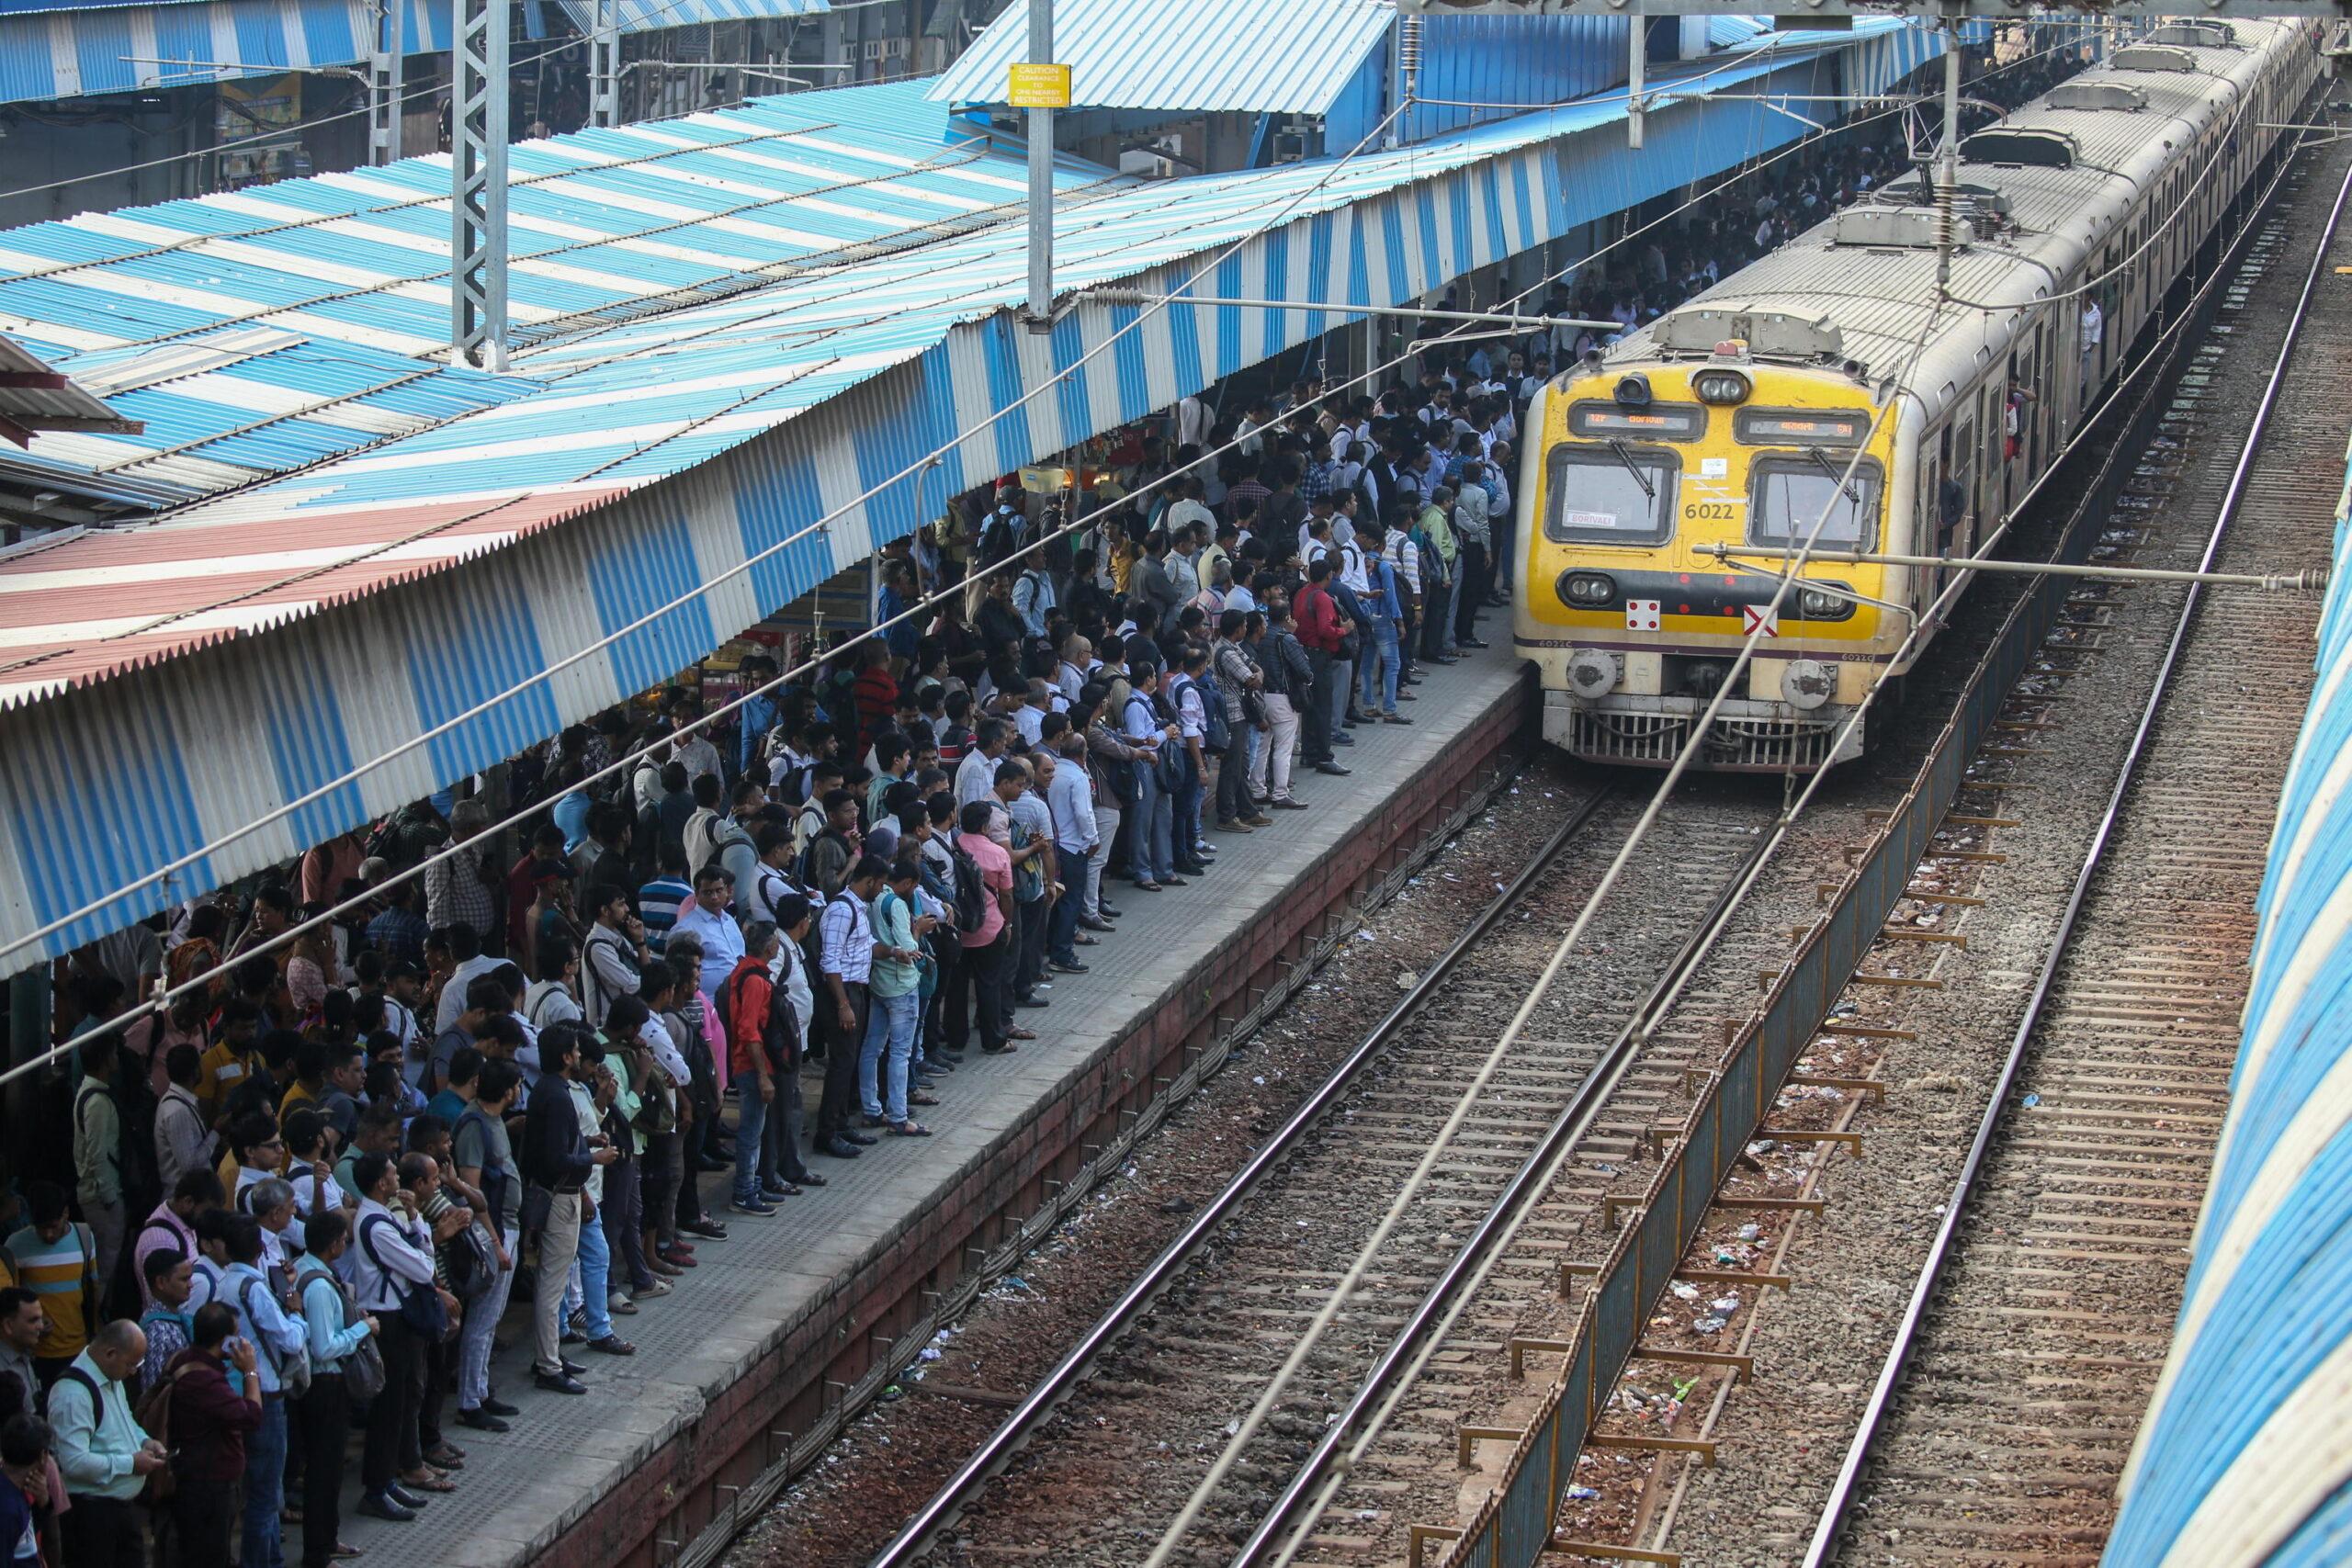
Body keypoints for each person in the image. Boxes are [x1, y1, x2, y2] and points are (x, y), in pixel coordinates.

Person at [344, 1151, 447, 1520]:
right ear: (380, 1183)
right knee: (388, 1408)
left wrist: (417, 1219)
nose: (397, 1178)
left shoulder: (386, 1215)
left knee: (400, 1402)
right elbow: (422, 1266)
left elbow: (424, 1251)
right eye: (391, 1173)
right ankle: (376, 1487)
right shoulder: (376, 1224)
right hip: (387, 1319)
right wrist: (421, 1244)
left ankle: (387, 1482)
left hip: (398, 1316)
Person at [519, 1026, 608, 1399]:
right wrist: (594, 1157)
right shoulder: (556, 1095)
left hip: (559, 1194)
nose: (578, 1054)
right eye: (574, 1050)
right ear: (566, 1057)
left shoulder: (548, 1090)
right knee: (552, 1283)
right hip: (560, 1198)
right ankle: (548, 1365)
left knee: (553, 1281)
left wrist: (587, 1141)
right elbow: (556, 1159)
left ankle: (549, 1353)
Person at [46, 1318, 164, 1568]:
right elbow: (74, 1462)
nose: (134, 1371)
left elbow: (124, 1420)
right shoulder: (72, 1394)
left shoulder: (111, 1376)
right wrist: (130, 1464)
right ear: (110, 1353)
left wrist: (144, 1440)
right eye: (131, 1364)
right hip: (92, 1516)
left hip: (121, 1510)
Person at [221, 1212, 302, 1568]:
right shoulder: (253, 1288)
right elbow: (288, 1337)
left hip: (234, 1390)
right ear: (258, 1250)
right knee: (265, 1494)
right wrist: (297, 1313)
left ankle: (272, 1558)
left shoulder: (219, 1282)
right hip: (266, 1395)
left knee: (256, 1491)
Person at [157, 1303, 261, 1566]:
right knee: (209, 1556)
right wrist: (250, 1371)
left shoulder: (186, 1360)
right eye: (236, 1335)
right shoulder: (204, 1381)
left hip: (202, 1480)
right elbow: (251, 1415)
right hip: (207, 1486)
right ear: (225, 1341)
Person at [451, 1059, 522, 1434]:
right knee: (480, 1320)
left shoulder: (491, 1120)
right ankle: (469, 1400)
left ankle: (480, 1389)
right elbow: (471, 1188)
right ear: (508, 1090)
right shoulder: (474, 1125)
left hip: (505, 1226)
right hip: (490, 1231)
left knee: (491, 1319)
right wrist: (494, 1243)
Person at [813, 856, 886, 1157]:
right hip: (842, 995)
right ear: (869, 881)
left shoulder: (859, 908)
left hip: (858, 990)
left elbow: (866, 946)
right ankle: (827, 1133)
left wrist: (896, 952)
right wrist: (843, 1004)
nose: (881, 890)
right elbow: (830, 959)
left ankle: (841, 1125)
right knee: (841, 1064)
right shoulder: (842, 910)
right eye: (880, 884)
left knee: (850, 1061)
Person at [861, 857, 935, 1139]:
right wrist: (918, 930)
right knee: (901, 1052)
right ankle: (899, 1116)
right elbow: (908, 947)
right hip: (901, 985)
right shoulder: (898, 904)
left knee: (873, 1047)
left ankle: (871, 1109)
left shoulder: (872, 900)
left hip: (878, 982)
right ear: (906, 883)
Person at [2, 1184, 96, 1389]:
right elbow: (11, 1301)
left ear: (66, 1214)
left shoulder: (85, 1237)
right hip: (37, 1355)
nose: (49, 1234)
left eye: (54, 1226)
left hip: (79, 1350)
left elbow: (93, 1292)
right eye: (41, 1228)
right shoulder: (15, 1245)